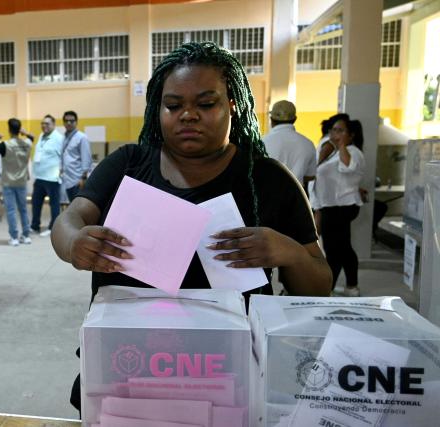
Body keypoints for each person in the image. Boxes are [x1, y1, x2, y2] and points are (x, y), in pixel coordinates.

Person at [50, 42, 332, 411]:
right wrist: (74, 242)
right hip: (125, 367)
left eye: (205, 103)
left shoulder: (267, 180)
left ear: (232, 104)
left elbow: (319, 286)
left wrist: (289, 253)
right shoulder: (129, 165)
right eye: (174, 105)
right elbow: (71, 218)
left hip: (228, 379)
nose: (188, 115)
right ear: (158, 109)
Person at [311, 116, 366, 297]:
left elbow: (348, 167)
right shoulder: (334, 151)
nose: (335, 134)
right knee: (339, 248)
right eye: (334, 130)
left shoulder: (353, 151)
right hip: (331, 206)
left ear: (351, 135)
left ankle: (337, 287)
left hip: (343, 206)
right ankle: (347, 286)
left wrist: (341, 145)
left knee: (338, 249)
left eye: (341, 131)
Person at [0, 118, 34, 246]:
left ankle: (14, 237)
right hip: (21, 182)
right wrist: (25, 132)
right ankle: (26, 236)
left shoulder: (5, 145)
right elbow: (32, 137)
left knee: (11, 210)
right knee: (23, 209)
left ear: (9, 130)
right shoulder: (27, 143)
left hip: (8, 183)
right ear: (19, 129)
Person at [262, 100, 316, 188]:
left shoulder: (262, 142)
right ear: (295, 119)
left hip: (268, 194)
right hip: (296, 196)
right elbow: (311, 176)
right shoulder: (308, 143)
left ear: (271, 119)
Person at [30, 114, 63, 237]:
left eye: (47, 123)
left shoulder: (59, 138)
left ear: (54, 125)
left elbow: (63, 156)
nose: (44, 126)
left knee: (54, 204)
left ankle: (53, 227)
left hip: (52, 178)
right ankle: (35, 226)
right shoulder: (41, 136)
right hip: (39, 176)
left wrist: (61, 172)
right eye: (42, 123)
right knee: (36, 203)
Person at [60, 111, 92, 202]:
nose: (69, 123)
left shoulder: (82, 137)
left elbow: (86, 159)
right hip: (67, 179)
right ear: (63, 123)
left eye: (72, 121)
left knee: (78, 207)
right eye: (66, 121)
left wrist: (83, 178)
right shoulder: (64, 137)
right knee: (71, 205)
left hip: (78, 180)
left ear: (76, 122)